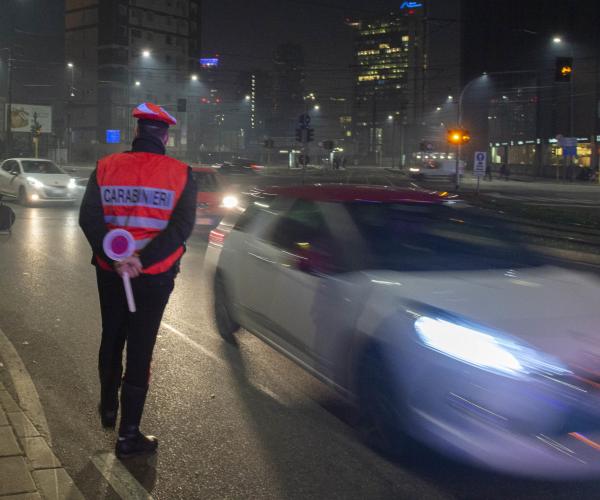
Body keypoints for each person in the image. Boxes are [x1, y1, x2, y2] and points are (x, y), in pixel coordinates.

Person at [79, 102, 197, 459]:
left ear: (137, 132)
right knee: (141, 346)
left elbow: (89, 218)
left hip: (110, 272)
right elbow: (180, 229)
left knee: (112, 334)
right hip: (153, 276)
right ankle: (128, 435)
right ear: (165, 136)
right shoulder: (181, 173)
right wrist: (140, 260)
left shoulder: (105, 167)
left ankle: (107, 405)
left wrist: (116, 257)